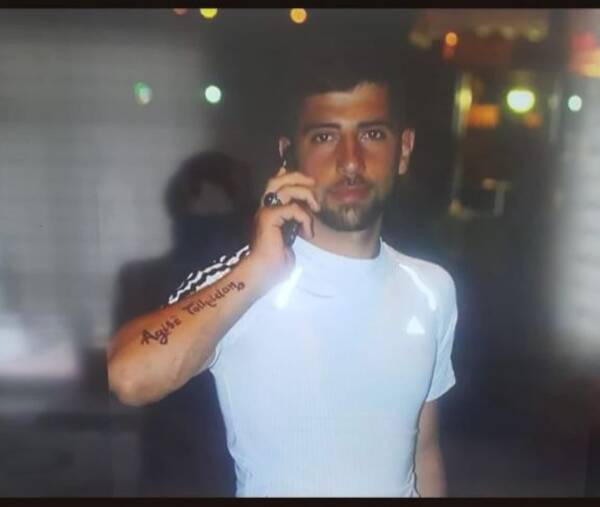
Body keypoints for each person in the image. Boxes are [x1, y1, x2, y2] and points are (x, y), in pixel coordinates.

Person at [107, 48, 458, 497]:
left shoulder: (432, 288)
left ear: (403, 150)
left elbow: (423, 449)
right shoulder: (245, 282)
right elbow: (129, 378)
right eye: (325, 137)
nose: (351, 161)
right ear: (288, 155)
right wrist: (257, 270)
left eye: (371, 134)